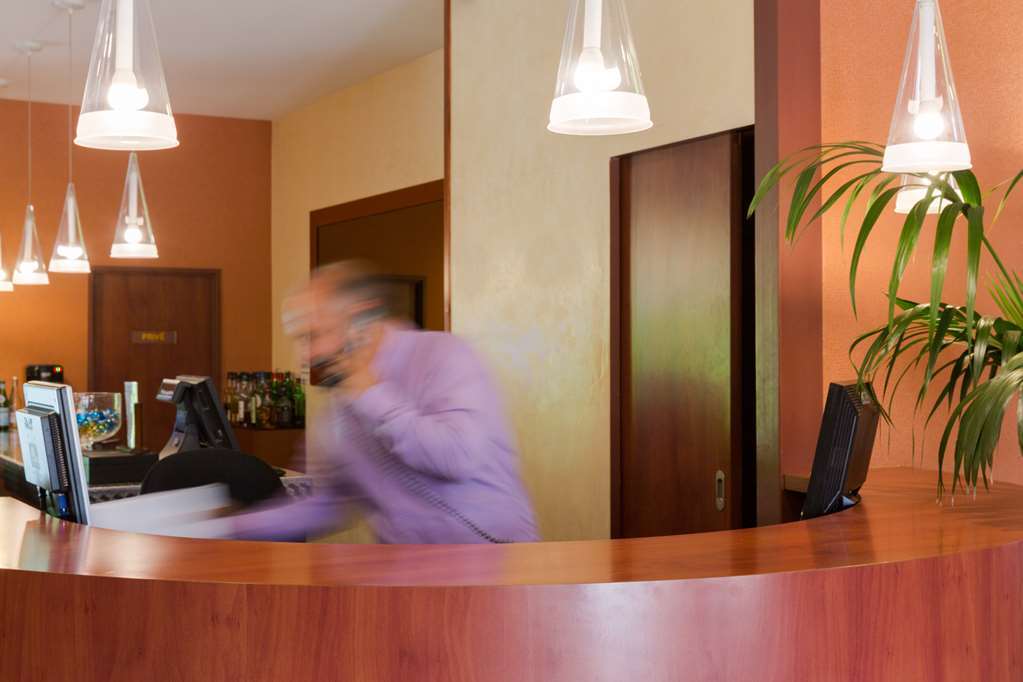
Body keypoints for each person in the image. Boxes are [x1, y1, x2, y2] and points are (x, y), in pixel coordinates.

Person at [232, 261, 539, 544]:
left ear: (361, 320)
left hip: (492, 565)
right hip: (402, 575)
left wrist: (371, 392)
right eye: (299, 340)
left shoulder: (446, 355)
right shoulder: (337, 409)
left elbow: (457, 456)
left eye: (314, 336)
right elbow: (324, 504)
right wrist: (219, 530)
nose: (305, 356)